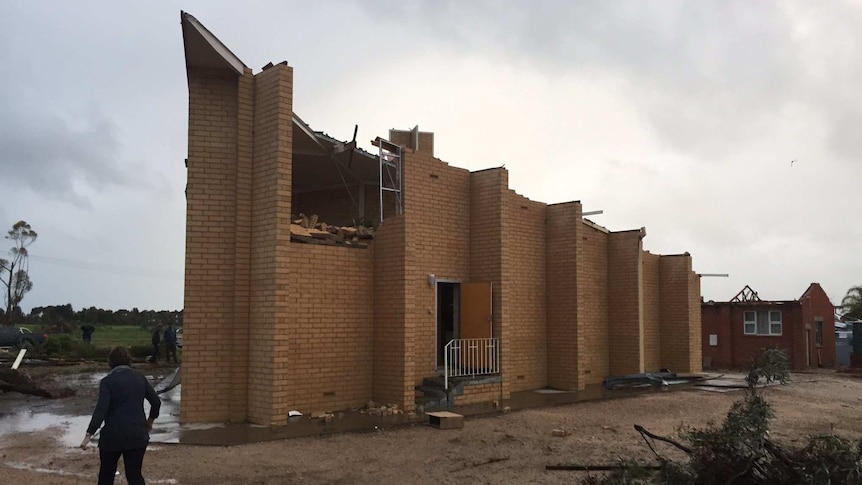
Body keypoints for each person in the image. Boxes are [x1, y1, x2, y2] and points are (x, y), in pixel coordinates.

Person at [80, 346, 160, 485]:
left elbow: (101, 409)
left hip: (112, 437)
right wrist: (150, 421)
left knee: (106, 476)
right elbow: (156, 402)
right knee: (135, 476)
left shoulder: (107, 382)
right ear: (129, 361)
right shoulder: (140, 378)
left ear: (110, 362)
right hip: (137, 434)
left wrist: (89, 435)